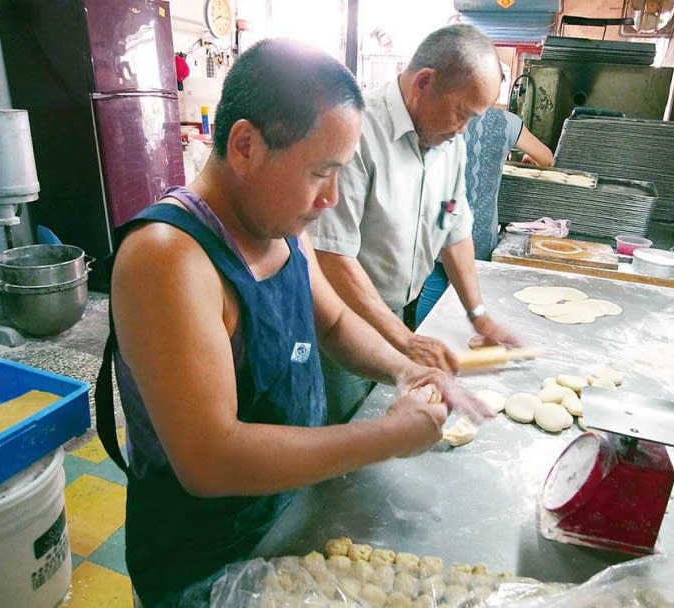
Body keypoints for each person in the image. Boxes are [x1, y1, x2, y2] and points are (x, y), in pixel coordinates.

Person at [94, 39, 490, 607]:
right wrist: (387, 437)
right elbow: (211, 458)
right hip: (200, 562)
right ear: (246, 145)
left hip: (284, 522)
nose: (331, 198)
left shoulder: (280, 226)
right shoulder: (169, 260)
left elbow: (330, 324)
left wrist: (407, 371)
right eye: (319, 172)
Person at [308, 24, 520, 423]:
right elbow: (330, 255)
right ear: (424, 82)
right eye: (461, 113)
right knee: (347, 432)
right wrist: (405, 342)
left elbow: (454, 231)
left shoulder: (449, 143)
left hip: (400, 315)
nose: (463, 130)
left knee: (386, 418)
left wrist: (478, 314)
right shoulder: (356, 131)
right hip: (342, 325)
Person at [416, 107, 553, 326]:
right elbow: (546, 158)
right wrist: (526, 156)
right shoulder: (507, 121)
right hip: (479, 229)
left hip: (440, 222)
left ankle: (424, 349)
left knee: (433, 290)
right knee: (472, 300)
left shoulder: (439, 111)